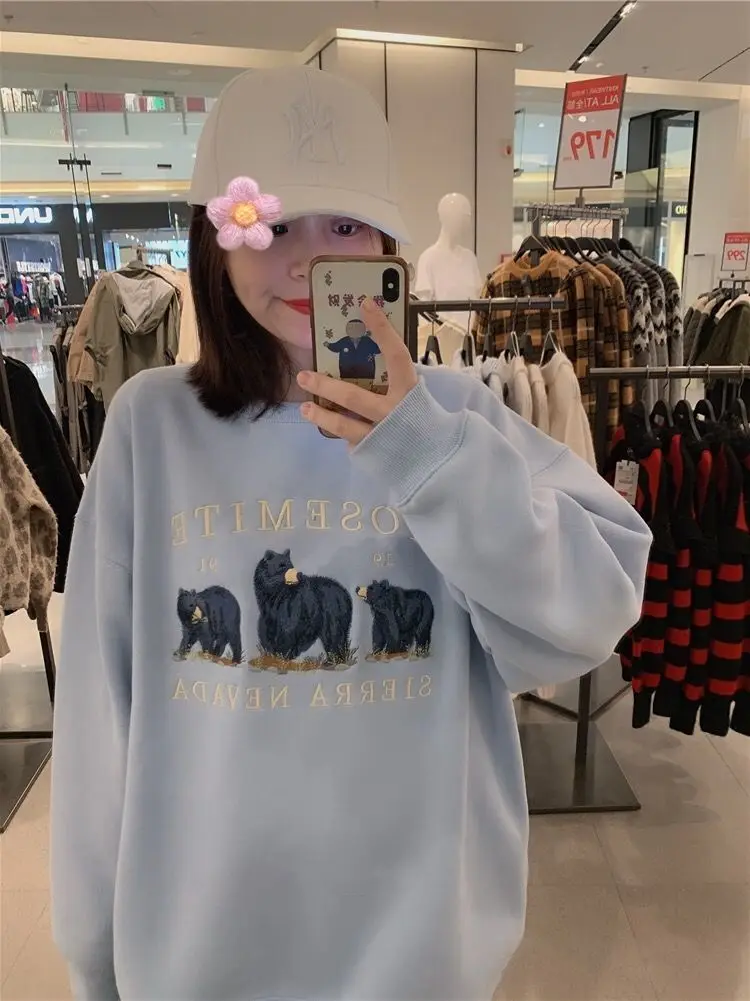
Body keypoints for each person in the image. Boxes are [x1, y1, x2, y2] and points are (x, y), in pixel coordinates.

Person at [50, 66, 651, 1001]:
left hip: (418, 956)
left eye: (344, 227)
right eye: (275, 225)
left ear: (384, 249)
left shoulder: (456, 414)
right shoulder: (149, 427)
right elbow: (99, 712)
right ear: (216, 241)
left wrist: (425, 454)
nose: (305, 262)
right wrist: (94, 958)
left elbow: (591, 614)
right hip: (200, 954)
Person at [325, 317, 381, 381]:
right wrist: (328, 345)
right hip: (347, 373)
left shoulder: (367, 341)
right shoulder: (344, 340)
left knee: (364, 385)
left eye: (358, 328)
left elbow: (377, 349)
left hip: (366, 373)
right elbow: (336, 347)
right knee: (348, 385)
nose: (355, 330)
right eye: (351, 328)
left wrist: (384, 344)